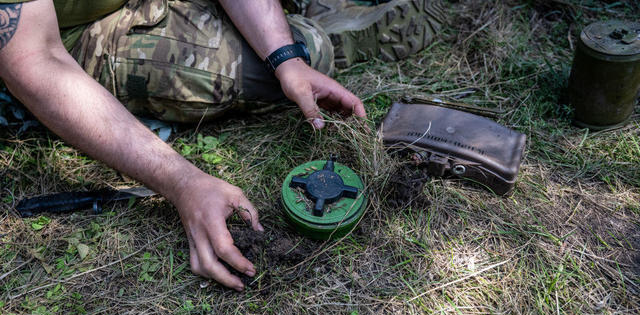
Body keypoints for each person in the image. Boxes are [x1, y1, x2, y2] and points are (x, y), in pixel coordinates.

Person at [0, 0, 444, 291]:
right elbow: (36, 59)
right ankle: (321, 33)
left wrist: (286, 60)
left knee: (292, 56)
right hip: (51, 37)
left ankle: (302, 31)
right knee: (280, 60)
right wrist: (182, 181)